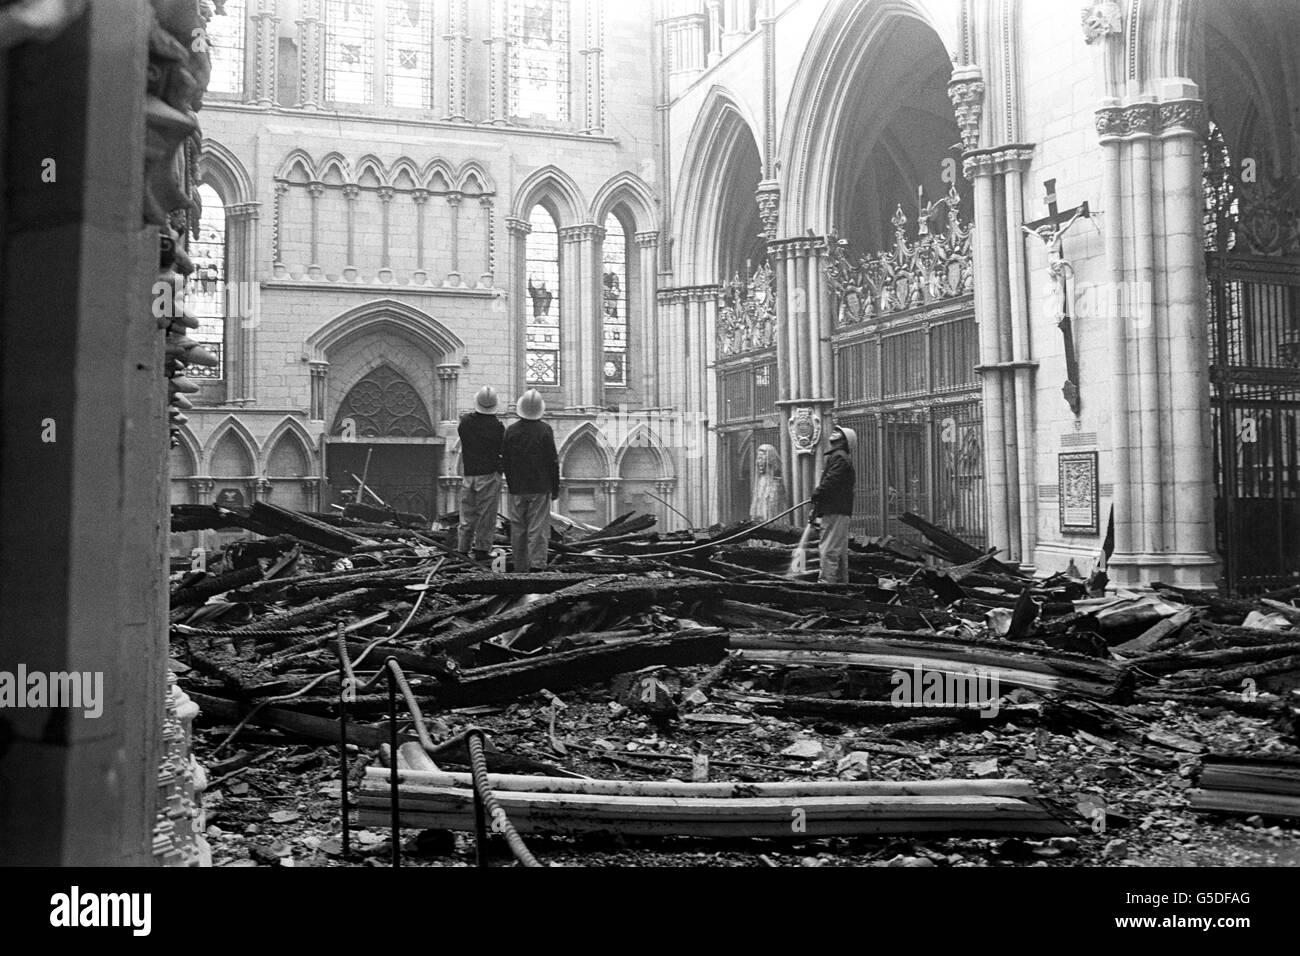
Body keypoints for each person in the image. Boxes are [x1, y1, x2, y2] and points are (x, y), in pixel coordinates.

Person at [502, 388, 559, 572]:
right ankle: (537, 565)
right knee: (538, 528)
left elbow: (506, 461)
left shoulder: (511, 430)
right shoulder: (545, 430)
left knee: (518, 528)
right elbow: (552, 461)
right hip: (540, 487)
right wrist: (555, 487)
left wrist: (511, 484)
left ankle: (520, 566)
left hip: (518, 487)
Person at [457, 385, 505, 563]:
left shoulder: (466, 422)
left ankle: (462, 549)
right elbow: (502, 450)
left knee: (467, 514)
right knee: (486, 516)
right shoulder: (497, 427)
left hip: (469, 474)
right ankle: (482, 550)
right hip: (489, 475)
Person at [809, 426, 857, 585]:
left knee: (829, 550)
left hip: (835, 510)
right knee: (839, 552)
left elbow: (831, 481)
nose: (834, 432)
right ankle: (841, 587)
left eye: (839, 432)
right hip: (838, 510)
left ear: (844, 441)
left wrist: (817, 493)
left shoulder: (839, 458)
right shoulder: (839, 457)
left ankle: (827, 588)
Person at [749, 443, 786, 523]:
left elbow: (774, 512)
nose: (759, 462)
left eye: (762, 459)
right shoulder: (759, 481)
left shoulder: (776, 484)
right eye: (758, 459)